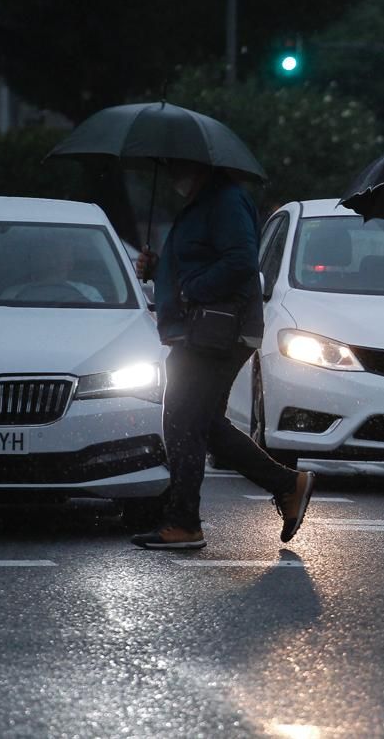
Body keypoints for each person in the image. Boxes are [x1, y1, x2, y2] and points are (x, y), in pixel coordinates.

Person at [130, 162, 315, 550]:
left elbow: (240, 261)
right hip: (201, 331)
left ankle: (184, 522)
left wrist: (189, 289)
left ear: (198, 165)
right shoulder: (203, 203)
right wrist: (160, 270)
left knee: (182, 421)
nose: (169, 176)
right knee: (203, 424)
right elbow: (198, 262)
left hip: (217, 333)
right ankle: (287, 484)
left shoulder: (226, 201)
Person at [1, 237, 104, 303]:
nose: (53, 262)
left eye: (59, 256)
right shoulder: (12, 294)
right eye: (46, 256)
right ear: (33, 262)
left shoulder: (89, 293)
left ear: (71, 263)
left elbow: (100, 320)